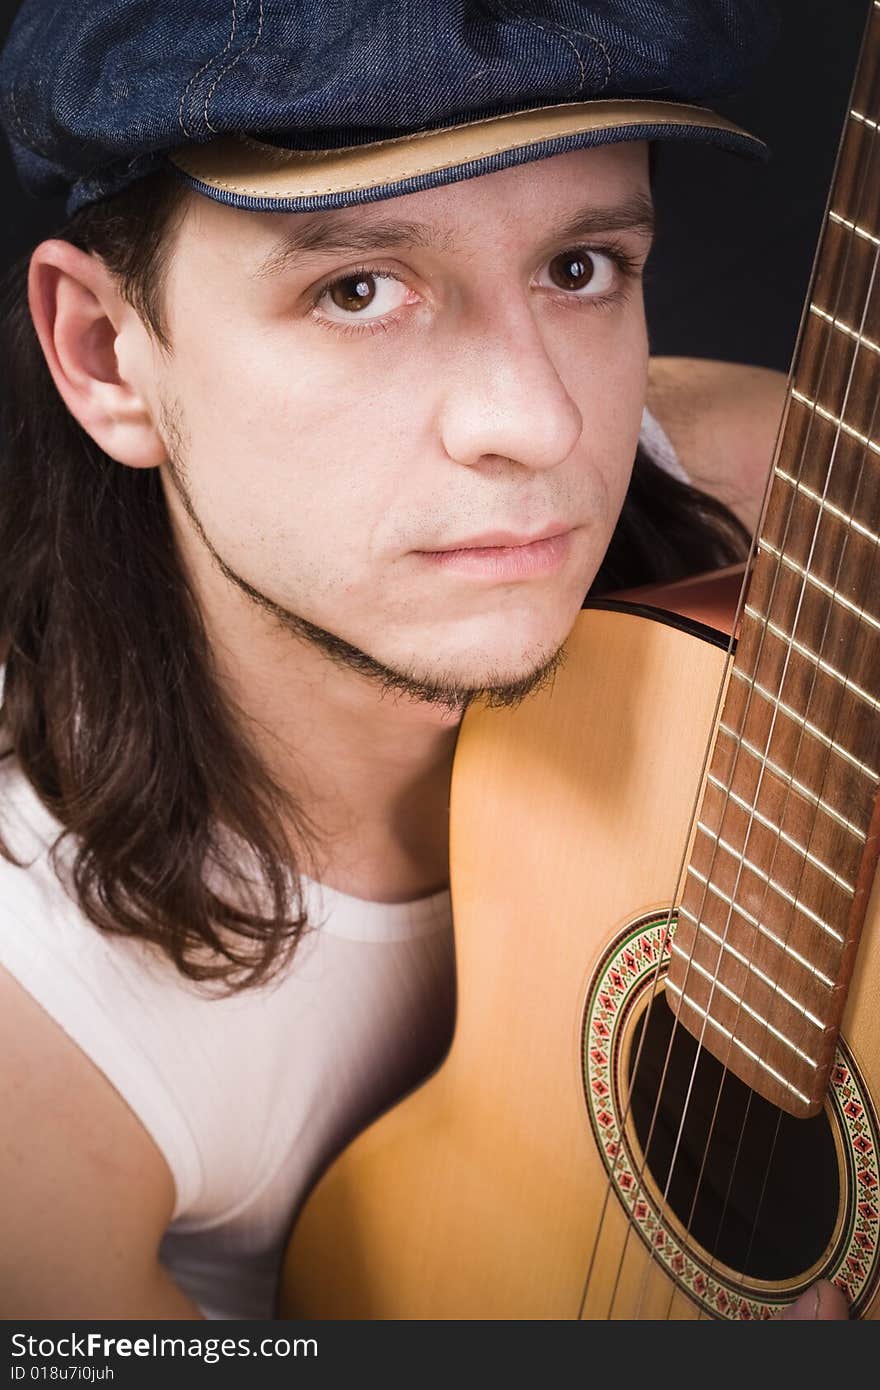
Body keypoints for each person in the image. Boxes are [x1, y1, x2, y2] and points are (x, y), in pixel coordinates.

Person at [0, 0, 848, 1321]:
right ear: (108, 355)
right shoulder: (40, 1041)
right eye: (357, 288)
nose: (539, 418)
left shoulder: (756, 495)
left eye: (581, 269)